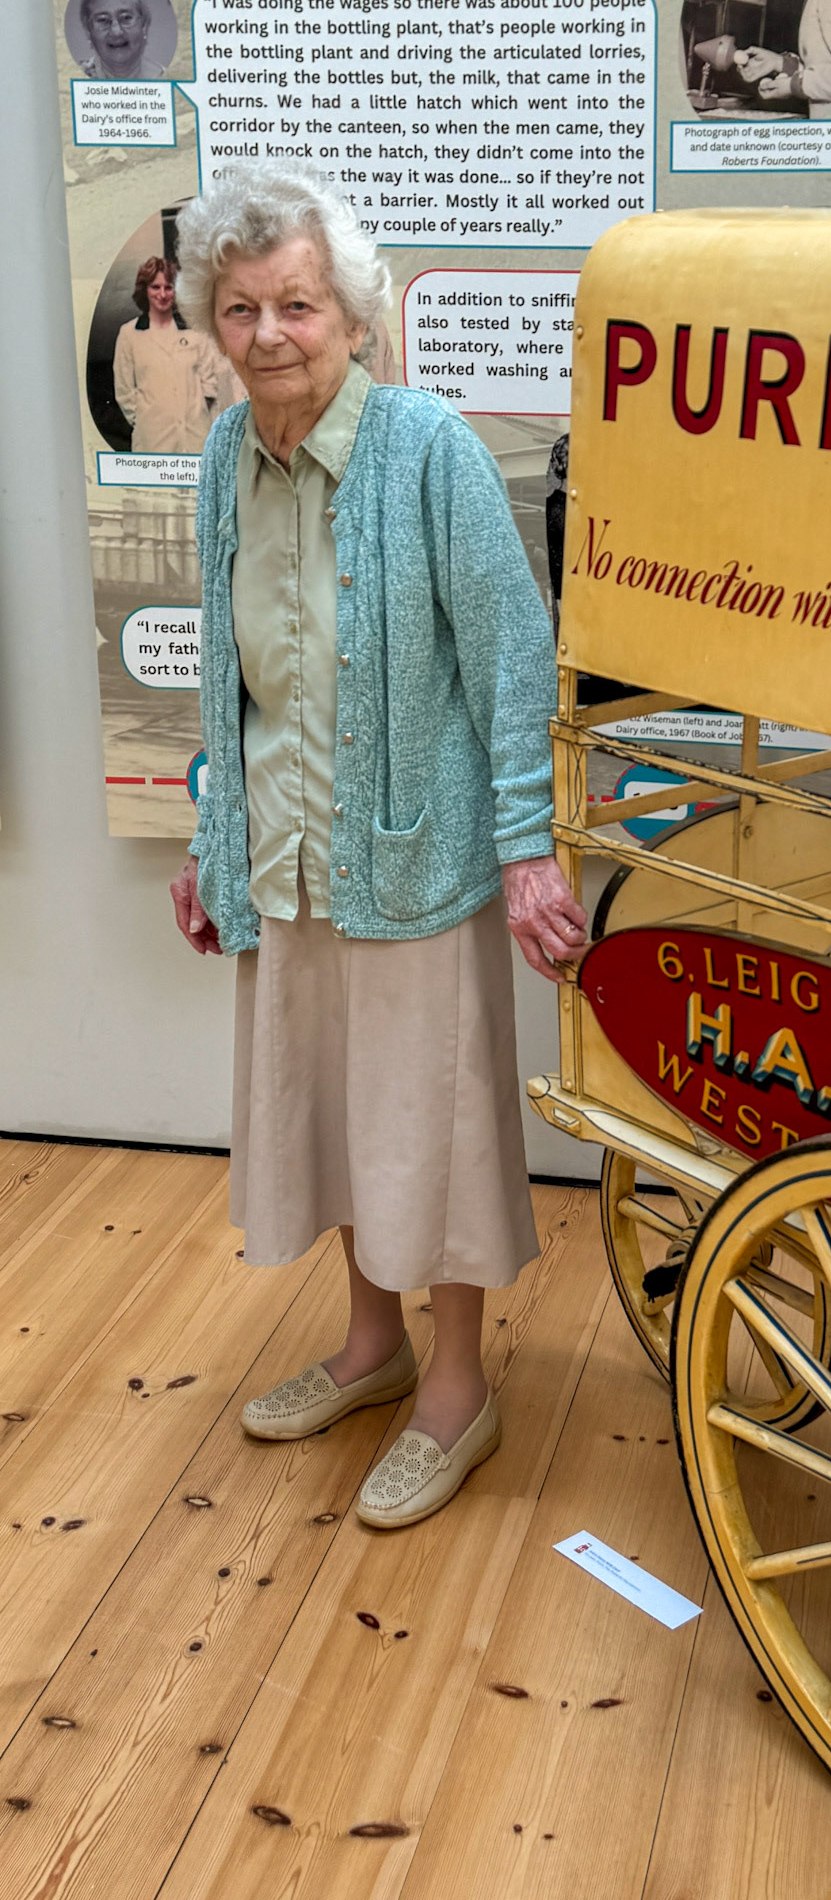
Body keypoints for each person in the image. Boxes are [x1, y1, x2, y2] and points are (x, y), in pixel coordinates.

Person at [168, 162, 587, 1530]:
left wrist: (528, 850)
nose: (270, 334)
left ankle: (456, 1392)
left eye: (297, 304)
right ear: (212, 326)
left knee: (433, 1134)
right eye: (241, 310)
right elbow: (230, 682)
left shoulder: (429, 449)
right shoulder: (228, 458)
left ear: (352, 315)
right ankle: (370, 1344)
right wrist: (207, 833)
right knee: (335, 1117)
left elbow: (512, 655)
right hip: (287, 856)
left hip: (412, 858)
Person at [113, 256, 226, 453]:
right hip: (153, 439)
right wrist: (147, 420)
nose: (162, 294)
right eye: (155, 287)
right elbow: (124, 391)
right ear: (145, 291)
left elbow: (209, 384)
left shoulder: (195, 332)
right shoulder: (129, 334)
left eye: (169, 287)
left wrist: (193, 411)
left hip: (195, 435)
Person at [77, 0, 166, 81]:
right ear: (88, 30)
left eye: (126, 18)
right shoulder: (74, 77)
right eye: (103, 20)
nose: (116, 31)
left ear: (144, 25)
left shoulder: (166, 80)